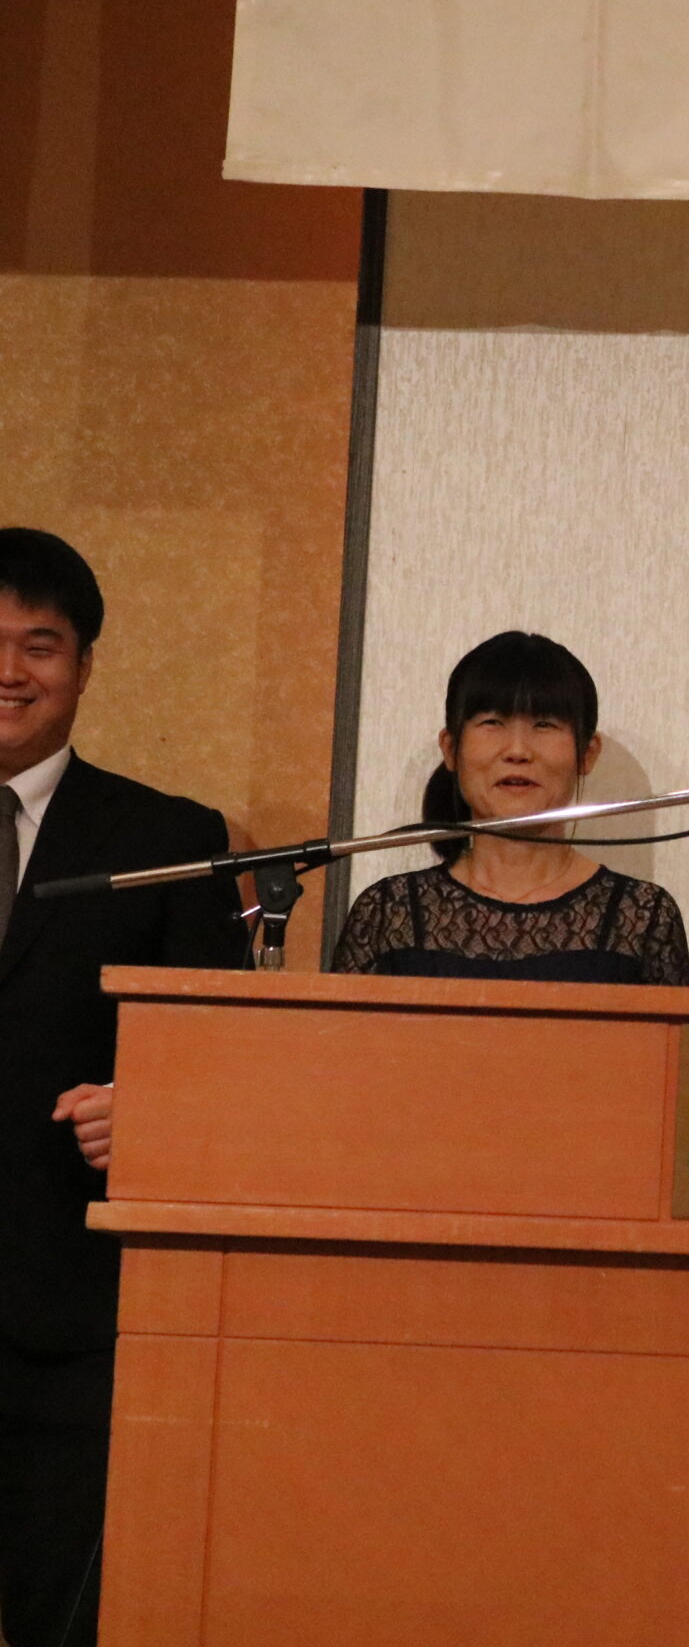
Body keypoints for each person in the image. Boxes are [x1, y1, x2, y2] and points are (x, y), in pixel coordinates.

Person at [0, 529, 242, 1647]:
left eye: (40, 644)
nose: (11, 670)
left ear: (85, 666)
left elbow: (224, 1064)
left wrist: (153, 1108)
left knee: (64, 1614)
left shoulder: (169, 840)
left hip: (75, 1308)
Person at [332, 631, 689, 984]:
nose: (517, 751)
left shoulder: (643, 917)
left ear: (587, 753)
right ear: (451, 749)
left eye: (544, 724)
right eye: (492, 722)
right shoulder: (388, 912)